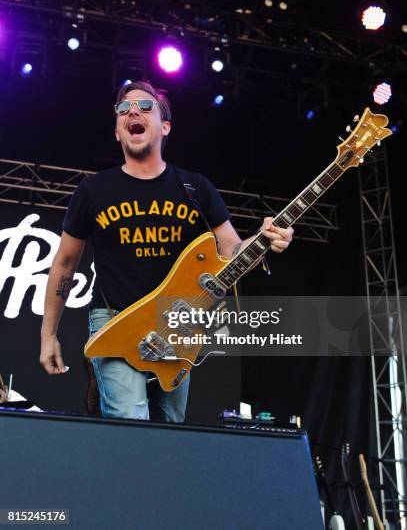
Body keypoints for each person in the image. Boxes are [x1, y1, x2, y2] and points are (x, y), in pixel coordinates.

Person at [40, 80, 294, 422]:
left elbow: (232, 251)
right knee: (130, 419)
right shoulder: (93, 190)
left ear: (165, 126)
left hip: (177, 324)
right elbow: (65, 263)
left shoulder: (194, 187)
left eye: (146, 107)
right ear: (117, 131)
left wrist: (266, 239)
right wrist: (48, 334)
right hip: (115, 318)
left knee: (170, 431)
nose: (133, 112)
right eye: (123, 109)